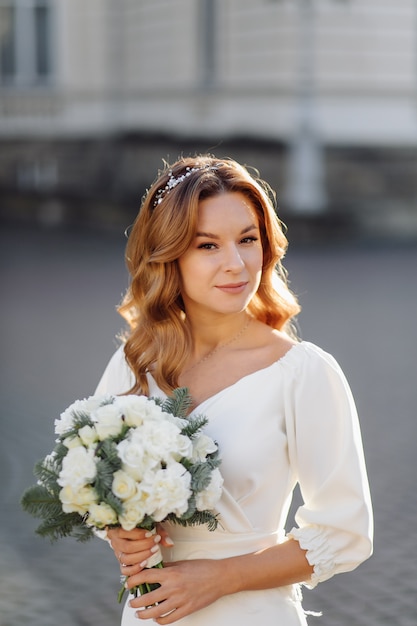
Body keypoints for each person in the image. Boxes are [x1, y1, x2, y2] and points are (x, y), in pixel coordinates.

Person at [95, 154, 373, 625]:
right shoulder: (135, 364)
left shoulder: (302, 373)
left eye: (248, 240)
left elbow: (345, 532)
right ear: (169, 254)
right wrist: (118, 530)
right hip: (152, 613)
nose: (236, 264)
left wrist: (222, 578)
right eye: (208, 246)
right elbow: (99, 480)